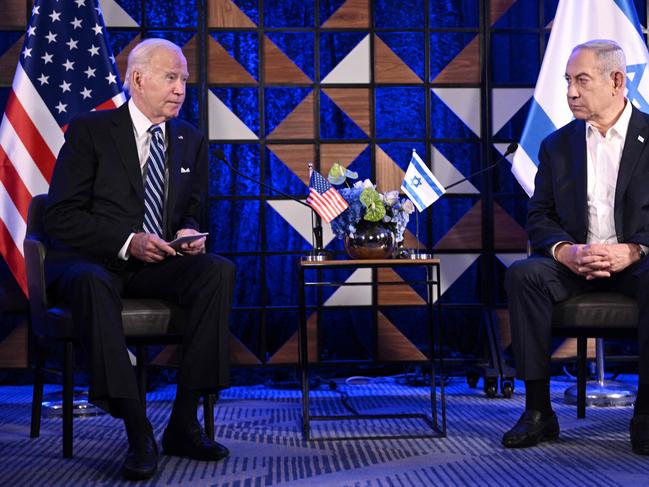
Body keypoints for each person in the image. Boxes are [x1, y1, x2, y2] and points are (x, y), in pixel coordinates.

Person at [43, 38, 235, 480]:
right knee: (91, 283)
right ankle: (137, 428)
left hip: (158, 264)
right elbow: (60, 217)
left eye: (184, 79)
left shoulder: (189, 138)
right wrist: (128, 241)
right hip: (93, 261)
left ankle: (184, 424)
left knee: (216, 272)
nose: (181, 89)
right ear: (137, 79)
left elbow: (191, 209)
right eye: (171, 77)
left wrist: (187, 231)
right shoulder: (90, 131)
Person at [503, 39, 649, 454]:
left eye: (581, 81)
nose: (570, 92)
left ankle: (647, 415)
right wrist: (565, 251)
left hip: (637, 263)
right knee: (524, 275)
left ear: (617, 80)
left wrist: (635, 249)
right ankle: (537, 413)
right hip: (575, 264)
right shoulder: (556, 145)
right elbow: (540, 216)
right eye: (568, 81)